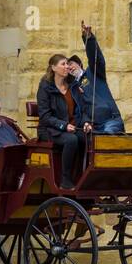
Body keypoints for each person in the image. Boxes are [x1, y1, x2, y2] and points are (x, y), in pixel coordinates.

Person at [36, 54, 90, 190]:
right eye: (63, 64)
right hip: (50, 129)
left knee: (87, 138)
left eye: (67, 64)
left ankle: (83, 176)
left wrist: (86, 123)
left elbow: (82, 109)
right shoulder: (45, 87)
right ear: (53, 67)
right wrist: (63, 125)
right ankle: (65, 180)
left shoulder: (73, 85)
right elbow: (45, 116)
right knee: (71, 140)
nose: (67, 67)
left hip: (72, 127)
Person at [69, 21, 126, 134]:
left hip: (110, 121)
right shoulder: (72, 87)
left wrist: (89, 39)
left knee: (106, 138)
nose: (69, 67)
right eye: (67, 66)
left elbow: (96, 59)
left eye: (71, 64)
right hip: (91, 126)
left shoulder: (93, 72)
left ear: (79, 64)